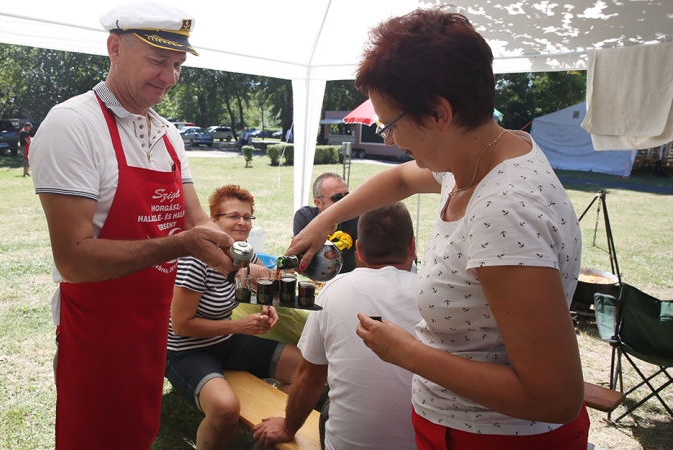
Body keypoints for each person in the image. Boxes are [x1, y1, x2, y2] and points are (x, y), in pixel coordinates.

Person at [287, 7, 588, 450]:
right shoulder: (478, 155)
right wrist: (326, 218)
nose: (388, 139)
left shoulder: (503, 210)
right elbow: (400, 179)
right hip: (453, 426)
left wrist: (407, 353)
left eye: (389, 124)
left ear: (438, 113)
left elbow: (555, 397)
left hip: (493, 439)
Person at [29, 3, 235, 449]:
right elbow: (75, 258)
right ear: (114, 48)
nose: (170, 77)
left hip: (152, 324)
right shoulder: (73, 124)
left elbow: (194, 217)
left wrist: (232, 249)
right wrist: (180, 243)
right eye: (158, 61)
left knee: (138, 435)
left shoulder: (167, 133)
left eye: (178, 65)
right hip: (97, 331)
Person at [253, 202, 419, 450]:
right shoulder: (435, 296)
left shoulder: (334, 290)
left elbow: (311, 375)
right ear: (413, 246)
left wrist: (288, 427)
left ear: (359, 251)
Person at [166, 184, 302, 450]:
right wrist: (238, 326)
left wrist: (266, 304)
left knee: (303, 368)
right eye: (233, 216)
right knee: (225, 409)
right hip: (186, 351)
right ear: (213, 220)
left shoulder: (243, 252)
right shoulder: (194, 259)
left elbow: (261, 283)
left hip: (226, 341)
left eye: (247, 217)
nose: (242, 222)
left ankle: (266, 439)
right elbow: (181, 326)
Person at [293, 173, 360, 273]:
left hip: (346, 279)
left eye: (347, 196)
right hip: (315, 280)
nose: (345, 203)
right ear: (318, 203)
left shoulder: (354, 218)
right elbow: (299, 262)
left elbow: (361, 265)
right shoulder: (305, 217)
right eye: (337, 198)